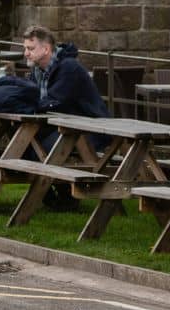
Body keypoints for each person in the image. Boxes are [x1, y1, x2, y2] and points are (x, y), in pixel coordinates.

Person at [22, 25, 110, 208]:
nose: (26, 53)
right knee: (26, 144)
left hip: (89, 130)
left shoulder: (69, 68)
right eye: (25, 48)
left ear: (46, 49)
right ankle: (60, 198)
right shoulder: (38, 70)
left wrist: (28, 104)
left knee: (41, 147)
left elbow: (56, 100)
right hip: (65, 128)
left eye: (30, 49)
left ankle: (61, 197)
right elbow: (35, 98)